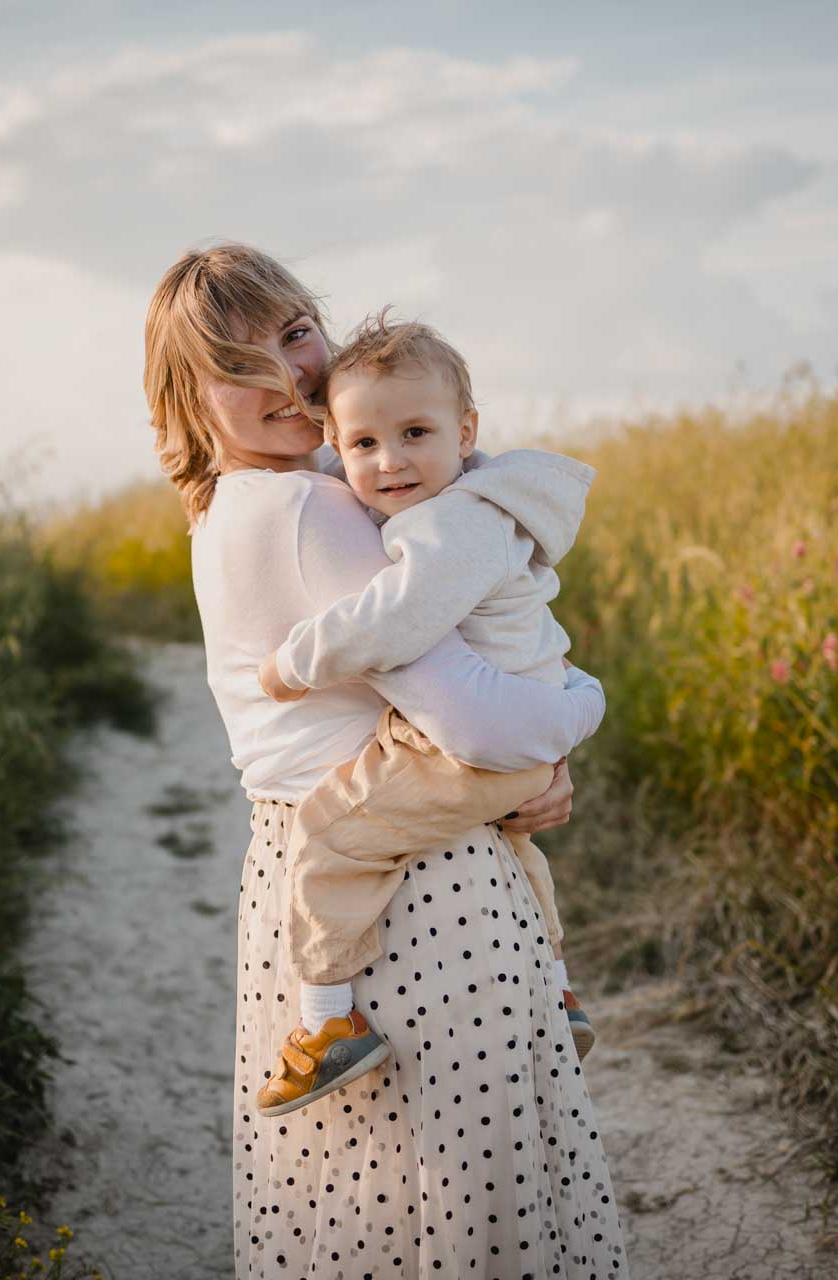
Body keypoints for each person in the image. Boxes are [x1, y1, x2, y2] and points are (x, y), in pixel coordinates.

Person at [145, 242, 628, 1276]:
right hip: (420, 891)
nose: (286, 374)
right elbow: (476, 723)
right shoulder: (316, 508)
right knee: (466, 1188)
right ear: (189, 399)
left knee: (358, 1191)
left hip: (311, 871)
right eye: (240, 363)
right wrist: (558, 735)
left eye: (293, 334)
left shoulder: (236, 504)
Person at [251, 311, 599, 1117]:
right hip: (511, 721)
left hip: (465, 744)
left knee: (332, 833)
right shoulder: (462, 511)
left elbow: (391, 621)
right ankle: (558, 990)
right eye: (364, 445)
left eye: (415, 432)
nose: (391, 460)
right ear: (334, 446)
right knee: (520, 853)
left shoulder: (458, 524)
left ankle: (326, 1022)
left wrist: (292, 665)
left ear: (466, 429)